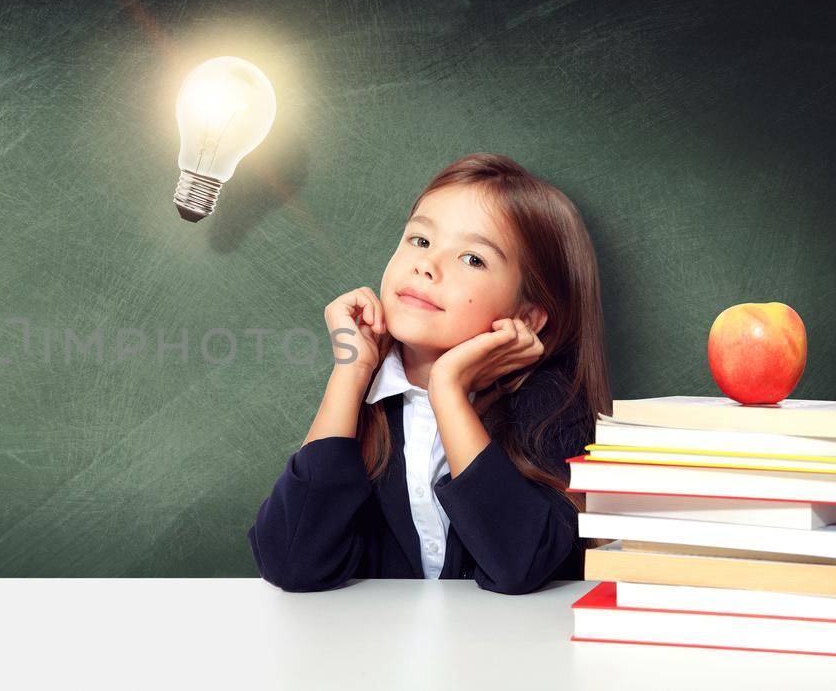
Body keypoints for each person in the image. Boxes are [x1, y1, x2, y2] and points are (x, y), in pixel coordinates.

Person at [247, 153, 612, 594]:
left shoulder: (552, 405)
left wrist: (449, 391)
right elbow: (289, 563)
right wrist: (350, 372)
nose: (427, 265)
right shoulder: (366, 400)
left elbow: (521, 566)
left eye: (472, 259)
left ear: (528, 317)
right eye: (420, 240)